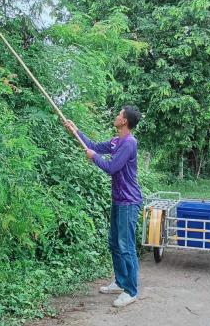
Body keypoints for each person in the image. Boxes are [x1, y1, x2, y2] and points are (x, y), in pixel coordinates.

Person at [65, 106, 143, 308]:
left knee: (126, 246)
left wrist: (94, 157)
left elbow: (111, 168)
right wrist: (75, 131)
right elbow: (93, 146)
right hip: (118, 199)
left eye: (119, 114)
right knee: (115, 243)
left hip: (129, 201)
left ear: (125, 121)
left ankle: (131, 291)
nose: (116, 116)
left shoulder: (129, 143)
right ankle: (120, 282)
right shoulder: (117, 140)